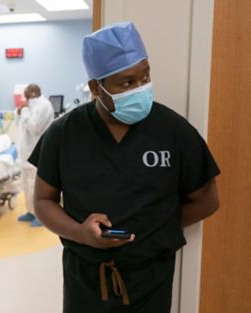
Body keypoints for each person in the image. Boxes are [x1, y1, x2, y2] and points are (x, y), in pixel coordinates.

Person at [28, 22, 220, 312]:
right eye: (127, 83)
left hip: (151, 278)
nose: (140, 88)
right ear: (95, 87)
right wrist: (80, 232)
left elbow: (207, 200)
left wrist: (154, 230)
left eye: (145, 76)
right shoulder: (64, 133)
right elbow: (43, 201)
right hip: (86, 279)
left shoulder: (174, 131)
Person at [15, 84, 54, 227]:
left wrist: (25, 110)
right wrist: (19, 112)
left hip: (36, 152)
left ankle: (40, 216)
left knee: (35, 186)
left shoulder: (44, 105)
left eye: (27, 96)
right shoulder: (30, 106)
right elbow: (20, 126)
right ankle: (30, 212)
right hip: (25, 152)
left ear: (33, 93)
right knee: (26, 184)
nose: (25, 99)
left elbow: (34, 127)